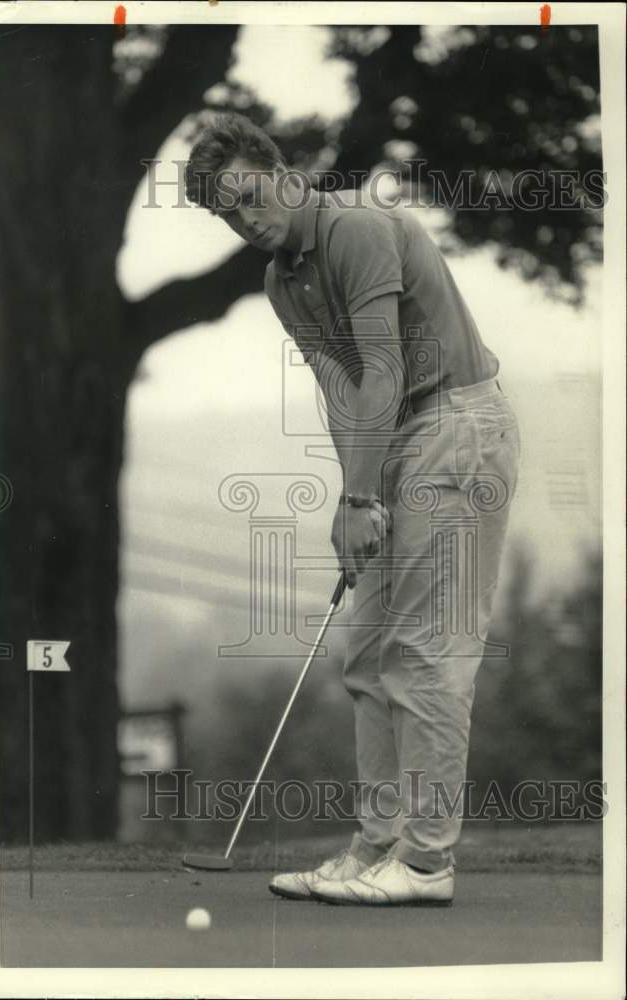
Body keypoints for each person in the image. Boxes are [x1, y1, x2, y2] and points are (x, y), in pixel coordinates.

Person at [185, 112, 521, 906]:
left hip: (457, 427)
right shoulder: (281, 282)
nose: (246, 220)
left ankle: (426, 863)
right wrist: (354, 503)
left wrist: (364, 495)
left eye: (251, 196)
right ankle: (376, 847)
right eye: (226, 214)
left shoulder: (358, 230)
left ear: (284, 175)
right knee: (367, 656)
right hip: (393, 440)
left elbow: (383, 367)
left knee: (427, 651)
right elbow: (342, 392)